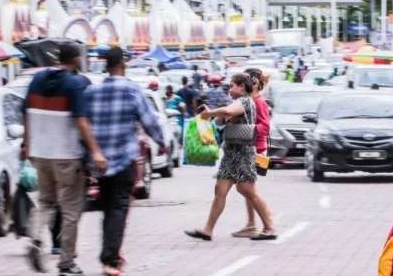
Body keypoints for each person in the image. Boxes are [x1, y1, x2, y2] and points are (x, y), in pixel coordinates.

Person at [23, 42, 106, 275]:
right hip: (67, 156)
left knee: (46, 202)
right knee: (70, 210)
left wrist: (28, 146)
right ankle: (66, 263)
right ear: (77, 60)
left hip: (41, 154)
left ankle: (34, 239)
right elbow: (81, 120)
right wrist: (96, 151)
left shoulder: (37, 80)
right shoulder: (75, 84)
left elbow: (25, 114)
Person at [83, 47, 168, 276]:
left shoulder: (92, 92)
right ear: (123, 64)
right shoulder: (131, 90)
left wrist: (88, 156)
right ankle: (110, 260)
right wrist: (161, 141)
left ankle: (110, 254)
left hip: (100, 162)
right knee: (118, 208)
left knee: (108, 207)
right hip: (123, 160)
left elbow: (83, 124)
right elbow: (148, 120)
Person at [185, 74, 275, 241]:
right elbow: (221, 120)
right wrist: (220, 114)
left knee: (249, 191)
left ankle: (269, 227)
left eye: (232, 86)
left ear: (242, 87)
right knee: (220, 190)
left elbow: (226, 112)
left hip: (242, 154)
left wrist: (210, 112)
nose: (230, 90)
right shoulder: (236, 103)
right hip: (231, 155)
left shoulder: (246, 101)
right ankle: (208, 230)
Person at [231, 68, 274, 238]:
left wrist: (242, 130)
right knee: (245, 188)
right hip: (248, 146)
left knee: (247, 188)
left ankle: (266, 218)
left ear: (254, 83)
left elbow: (265, 127)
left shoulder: (259, 102)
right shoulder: (249, 101)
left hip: (255, 147)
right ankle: (252, 223)